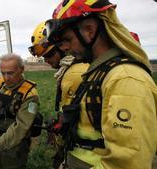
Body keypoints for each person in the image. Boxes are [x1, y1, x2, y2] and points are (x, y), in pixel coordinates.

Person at [45, 0, 157, 168]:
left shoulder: (125, 79)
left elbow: (127, 163)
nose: (65, 47)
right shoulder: (99, 72)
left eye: (67, 39)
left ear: (90, 31)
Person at [29, 21, 89, 168]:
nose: (47, 61)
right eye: (43, 57)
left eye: (49, 54)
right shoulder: (74, 69)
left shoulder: (73, 74)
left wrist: (60, 135)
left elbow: (72, 119)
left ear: (62, 47)